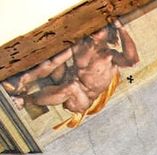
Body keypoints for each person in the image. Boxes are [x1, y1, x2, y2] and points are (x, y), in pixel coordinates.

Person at [3, 19, 139, 128]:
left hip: (80, 100)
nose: (97, 28)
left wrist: (121, 28)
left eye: (102, 27)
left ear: (109, 33)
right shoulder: (80, 45)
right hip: (65, 81)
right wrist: (25, 78)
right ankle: (22, 83)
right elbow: (52, 64)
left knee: (72, 86)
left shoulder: (110, 56)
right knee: (52, 59)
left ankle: (25, 101)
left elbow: (132, 61)